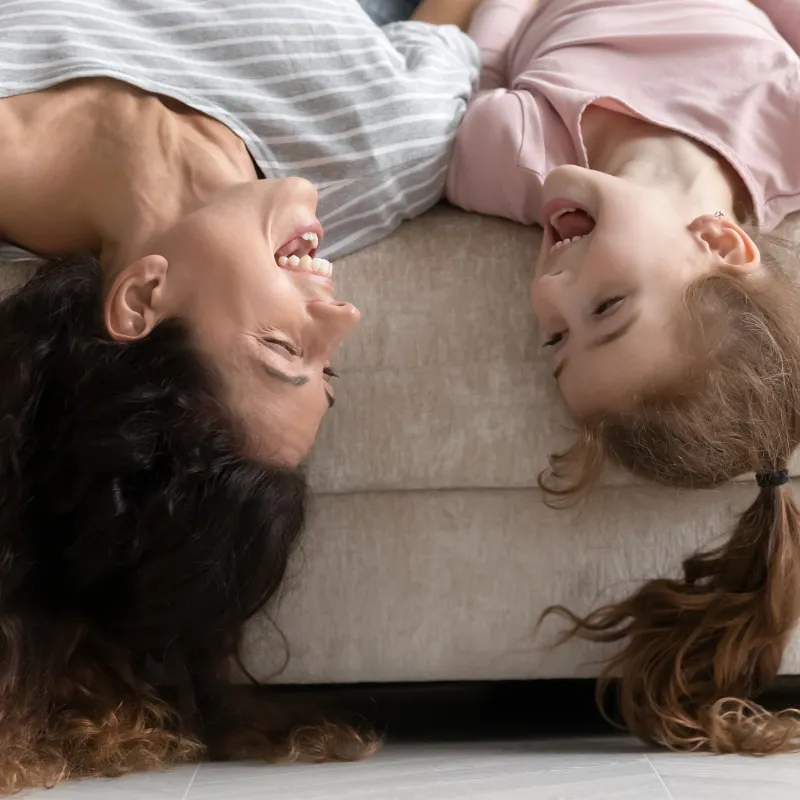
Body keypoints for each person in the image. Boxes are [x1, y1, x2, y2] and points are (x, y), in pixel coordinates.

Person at [0, 0, 479, 791]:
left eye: (287, 348)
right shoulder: (390, 143)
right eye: (332, 369)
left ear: (141, 300)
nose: (344, 313)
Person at [445, 0, 800, 755]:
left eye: (556, 337)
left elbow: (474, 64)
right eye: (606, 307)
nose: (548, 291)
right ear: (720, 240)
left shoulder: (507, 153)